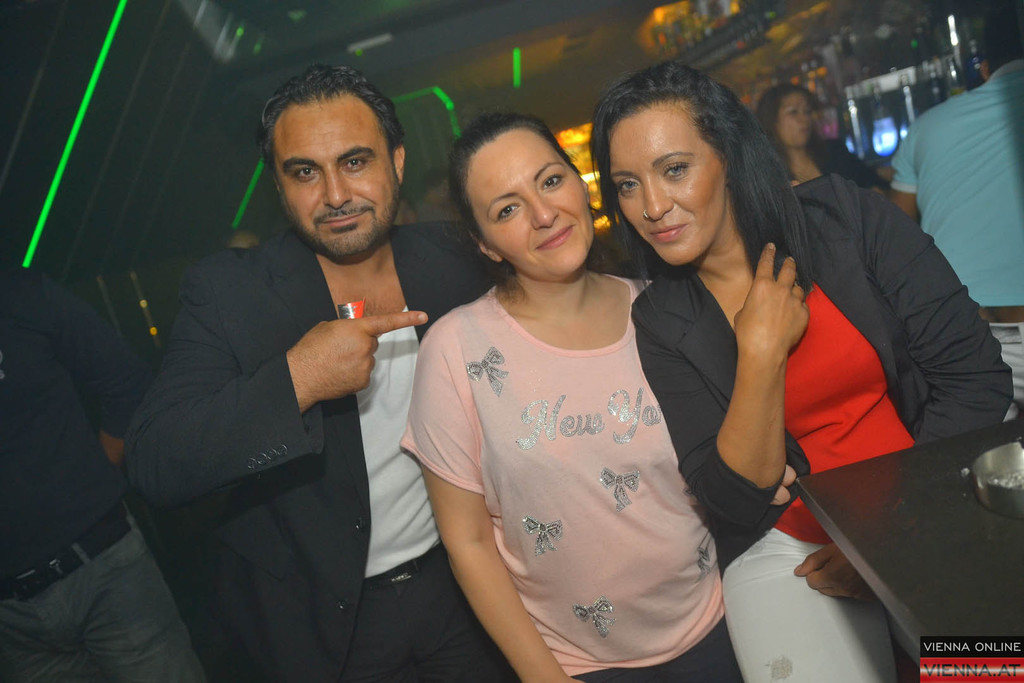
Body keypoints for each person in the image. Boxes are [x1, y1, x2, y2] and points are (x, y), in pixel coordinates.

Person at [591, 60, 1011, 683]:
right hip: (792, 547)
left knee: (986, 670)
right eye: (628, 184)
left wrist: (885, 539)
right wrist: (760, 355)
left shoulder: (844, 219)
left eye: (674, 169)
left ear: (728, 154)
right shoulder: (661, 317)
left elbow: (976, 379)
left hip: (932, 496)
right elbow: (731, 498)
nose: (652, 206)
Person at [125, 64, 510, 682]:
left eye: (355, 162)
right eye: (305, 172)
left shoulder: (459, 257)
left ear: (397, 162)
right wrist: (299, 378)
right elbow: (156, 463)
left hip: (463, 589)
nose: (334, 195)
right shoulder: (230, 293)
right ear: (279, 185)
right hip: (326, 624)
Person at [402, 112, 743, 683]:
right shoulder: (455, 349)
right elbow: (468, 542)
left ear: (581, 184)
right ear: (485, 244)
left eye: (551, 181)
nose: (543, 215)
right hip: (577, 665)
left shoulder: (666, 310)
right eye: (506, 210)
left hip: (723, 622)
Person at [0, 268, 205, 682]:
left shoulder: (20, 294)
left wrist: (89, 486)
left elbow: (127, 383)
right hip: (13, 622)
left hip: (105, 569)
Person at [891, 0, 1024, 415]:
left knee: (987, 455)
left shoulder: (926, 127)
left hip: (977, 337)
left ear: (983, 69)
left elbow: (896, 238)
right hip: (975, 335)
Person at [756, 83, 889, 190]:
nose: (804, 119)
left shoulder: (834, 151)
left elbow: (872, 184)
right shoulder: (768, 175)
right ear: (771, 120)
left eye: (807, 111)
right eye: (793, 112)